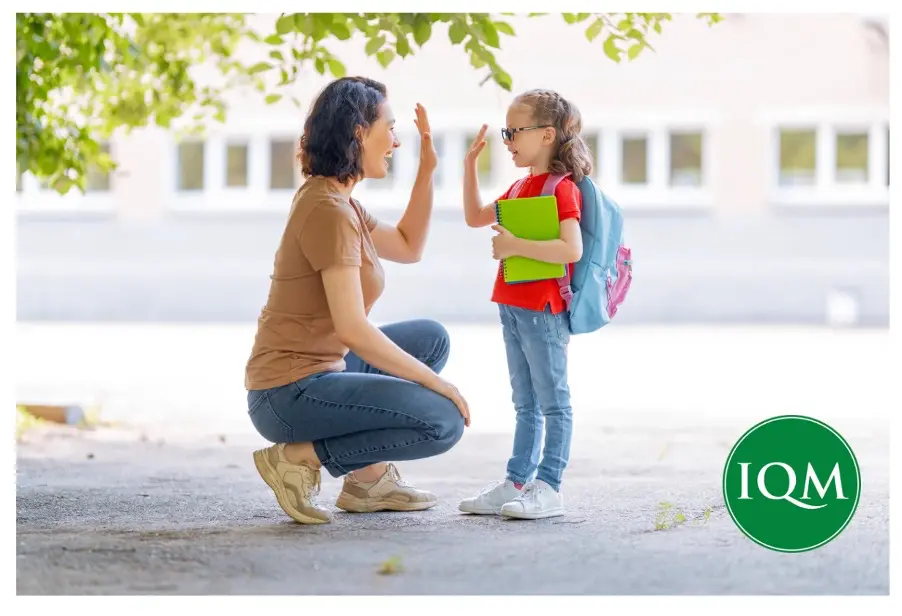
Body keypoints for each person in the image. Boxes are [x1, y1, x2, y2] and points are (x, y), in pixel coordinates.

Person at [245, 76, 469, 525]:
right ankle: (299, 457)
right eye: (389, 127)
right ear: (359, 132)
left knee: (430, 339)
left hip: (324, 372)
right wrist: (437, 384)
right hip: (288, 394)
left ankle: (368, 482)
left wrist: (427, 173)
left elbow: (408, 245)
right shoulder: (329, 211)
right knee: (441, 421)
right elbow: (352, 328)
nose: (396, 141)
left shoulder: (339, 201)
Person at [457, 89, 593, 519]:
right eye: (506, 132)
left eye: (514, 131)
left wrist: (516, 244)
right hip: (512, 304)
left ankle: (549, 486)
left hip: (543, 308)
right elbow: (475, 216)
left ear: (547, 134)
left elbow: (569, 250)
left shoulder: (561, 189)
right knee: (524, 401)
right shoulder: (519, 186)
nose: (508, 140)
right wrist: (468, 167)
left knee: (553, 401)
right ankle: (517, 481)